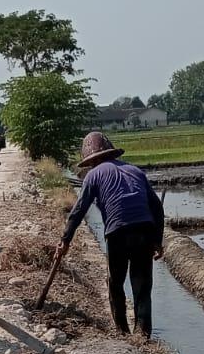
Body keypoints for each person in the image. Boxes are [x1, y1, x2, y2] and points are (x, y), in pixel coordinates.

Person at [56, 132, 164, 339]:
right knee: (142, 285)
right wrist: (157, 241)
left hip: (118, 233)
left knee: (115, 283)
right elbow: (157, 207)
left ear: (92, 160)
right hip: (144, 230)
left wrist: (65, 240)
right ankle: (142, 334)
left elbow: (79, 210)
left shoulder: (93, 175)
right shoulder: (135, 170)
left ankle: (122, 332)